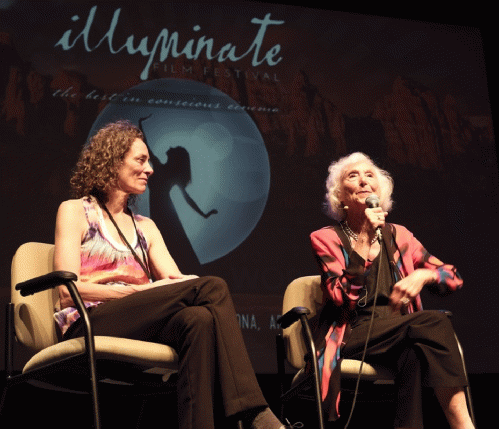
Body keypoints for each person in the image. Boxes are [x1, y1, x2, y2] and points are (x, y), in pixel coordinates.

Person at [53, 120, 288, 429]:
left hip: (136, 320)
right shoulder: (75, 211)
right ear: (112, 162)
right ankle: (254, 412)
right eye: (141, 160)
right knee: (213, 287)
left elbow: (176, 283)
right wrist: (134, 292)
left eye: (149, 160)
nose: (150, 169)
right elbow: (65, 291)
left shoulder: (145, 226)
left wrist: (169, 286)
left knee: (199, 319)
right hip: (90, 322)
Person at [309, 152, 475, 429]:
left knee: (413, 351)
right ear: (341, 198)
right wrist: (363, 237)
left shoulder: (400, 236)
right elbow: (340, 298)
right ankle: (462, 424)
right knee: (434, 321)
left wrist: (423, 275)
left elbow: (453, 277)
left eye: (370, 175)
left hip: (401, 329)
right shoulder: (325, 238)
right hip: (352, 332)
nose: (363, 180)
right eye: (353, 176)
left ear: (380, 192)